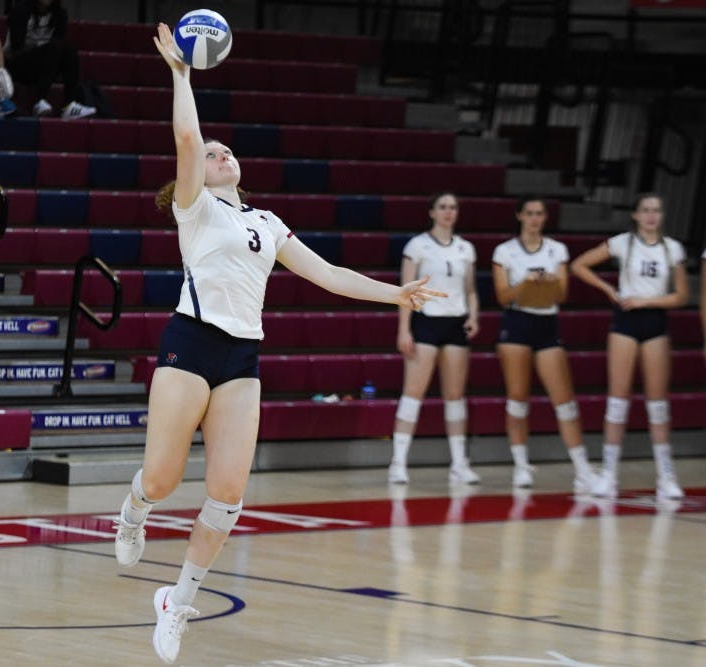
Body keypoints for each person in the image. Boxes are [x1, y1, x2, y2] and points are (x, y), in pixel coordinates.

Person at [112, 23, 445, 666]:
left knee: (227, 496)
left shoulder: (266, 222)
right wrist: (181, 74)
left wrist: (395, 294)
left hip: (241, 358)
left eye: (227, 151)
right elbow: (187, 138)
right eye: (214, 153)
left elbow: (330, 275)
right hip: (191, 342)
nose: (221, 154)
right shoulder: (195, 208)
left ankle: (177, 601)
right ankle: (134, 510)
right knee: (162, 477)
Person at [570, 193, 688, 500]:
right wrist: (609, 289)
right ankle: (609, 475)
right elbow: (579, 265)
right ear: (635, 215)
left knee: (658, 404)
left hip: (655, 322)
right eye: (645, 210)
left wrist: (646, 301)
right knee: (618, 400)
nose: (651, 216)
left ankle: (666, 476)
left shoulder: (672, 248)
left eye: (656, 210)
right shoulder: (623, 243)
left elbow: (681, 296)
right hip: (625, 323)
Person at [491, 196, 597, 492]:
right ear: (520, 216)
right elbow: (502, 296)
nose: (534, 218)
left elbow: (561, 294)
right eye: (529, 213)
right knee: (517, 398)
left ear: (546, 217)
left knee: (564, 401)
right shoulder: (505, 251)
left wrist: (547, 282)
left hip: (547, 324)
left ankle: (582, 469)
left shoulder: (557, 249)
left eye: (539, 213)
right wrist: (526, 283)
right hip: (517, 323)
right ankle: (521, 466)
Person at [388, 192, 481, 486]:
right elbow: (405, 291)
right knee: (413, 393)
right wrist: (404, 329)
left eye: (453, 207)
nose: (448, 212)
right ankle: (398, 463)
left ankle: (459, 464)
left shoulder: (466, 248)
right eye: (443, 207)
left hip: (455, 323)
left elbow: (470, 289)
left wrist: (473, 316)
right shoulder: (417, 246)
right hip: (426, 323)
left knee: (454, 395)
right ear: (432, 212)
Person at [4, 0, 96, 119]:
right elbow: (16, 46)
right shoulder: (21, 10)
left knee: (69, 49)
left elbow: (59, 45)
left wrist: (45, 48)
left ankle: (69, 105)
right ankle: (39, 101)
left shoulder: (59, 14)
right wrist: (43, 47)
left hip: (45, 66)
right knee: (54, 47)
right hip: (17, 64)